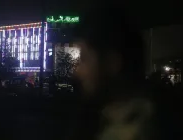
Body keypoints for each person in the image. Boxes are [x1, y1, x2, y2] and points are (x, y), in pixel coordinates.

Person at [69, 4, 173, 140]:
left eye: (84, 59)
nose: (77, 71)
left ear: (112, 63)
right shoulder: (103, 118)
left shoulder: (137, 131)